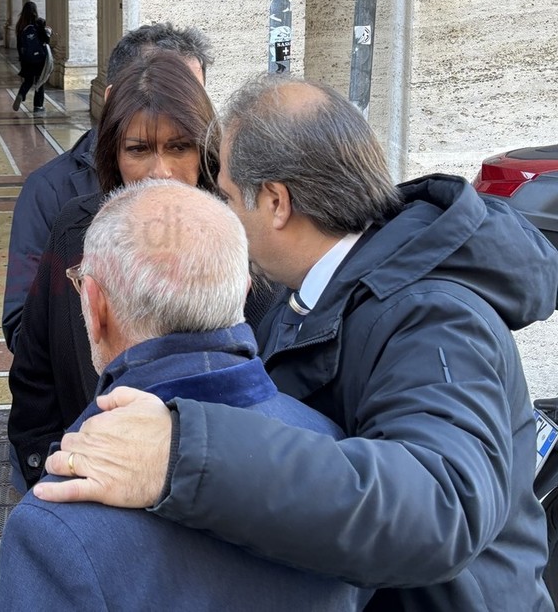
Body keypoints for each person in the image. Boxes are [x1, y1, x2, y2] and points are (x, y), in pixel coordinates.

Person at [35, 75, 558, 610]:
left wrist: (181, 454)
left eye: (229, 196)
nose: (223, 212)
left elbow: (442, 506)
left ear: (276, 202)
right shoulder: (315, 292)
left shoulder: (433, 315)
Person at [0, 179, 368, 611]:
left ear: (96, 306)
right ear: (244, 289)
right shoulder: (343, 456)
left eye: (80, 284)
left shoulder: (54, 526)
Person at [7, 51, 282, 491]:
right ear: (113, 154)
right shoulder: (75, 230)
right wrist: (48, 463)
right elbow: (35, 367)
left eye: (179, 147)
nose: (160, 171)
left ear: (205, 150)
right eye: (139, 149)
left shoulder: (244, 241)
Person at [1, 23, 214, 352]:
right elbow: (22, 328)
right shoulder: (51, 191)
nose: (162, 171)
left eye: (191, 97)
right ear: (114, 97)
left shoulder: (223, 184)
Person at [11, 1, 51, 113]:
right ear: (35, 11)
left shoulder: (20, 25)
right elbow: (46, 40)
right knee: (39, 81)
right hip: (39, 58)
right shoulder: (38, 23)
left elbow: (19, 45)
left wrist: (21, 58)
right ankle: (38, 106)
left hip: (26, 59)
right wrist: (47, 32)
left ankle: (21, 94)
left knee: (28, 80)